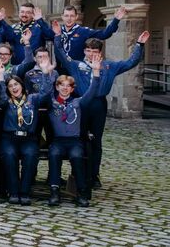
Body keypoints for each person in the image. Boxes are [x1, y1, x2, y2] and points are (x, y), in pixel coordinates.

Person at [53, 23, 149, 189]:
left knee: (96, 140)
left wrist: (139, 45)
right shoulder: (75, 65)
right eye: (88, 50)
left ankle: (94, 174)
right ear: (84, 51)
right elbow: (61, 53)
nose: (91, 54)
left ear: (100, 53)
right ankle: (78, 172)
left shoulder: (109, 66)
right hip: (81, 104)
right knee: (80, 139)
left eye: (94, 51)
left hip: (98, 104)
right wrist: (57, 36)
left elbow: (130, 62)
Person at [40, 54, 102, 207]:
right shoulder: (52, 102)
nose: (65, 88)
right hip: (58, 141)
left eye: (68, 86)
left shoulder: (78, 102)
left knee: (77, 156)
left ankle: (80, 192)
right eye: (62, 85)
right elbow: (45, 92)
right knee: (54, 155)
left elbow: (92, 91)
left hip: (74, 141)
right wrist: (46, 73)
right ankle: (54, 191)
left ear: (72, 89)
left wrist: (96, 72)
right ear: (57, 87)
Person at [0, 58, 52, 205]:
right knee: (9, 156)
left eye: (16, 84)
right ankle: (13, 192)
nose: (14, 88)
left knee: (30, 156)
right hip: (9, 138)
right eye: (10, 86)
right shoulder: (6, 101)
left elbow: (45, 92)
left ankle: (25, 192)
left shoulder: (32, 99)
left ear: (22, 85)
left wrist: (45, 73)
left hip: (28, 139)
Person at [53, 5, 126, 61]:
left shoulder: (83, 31)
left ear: (76, 17)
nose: (69, 18)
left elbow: (104, 34)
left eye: (72, 16)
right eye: (66, 16)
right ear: (62, 17)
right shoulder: (56, 31)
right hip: (59, 71)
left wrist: (116, 20)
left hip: (77, 71)